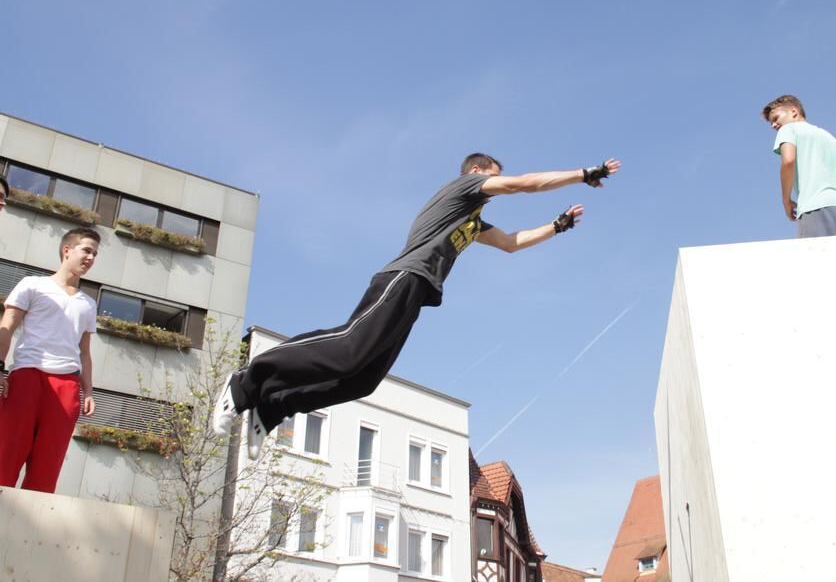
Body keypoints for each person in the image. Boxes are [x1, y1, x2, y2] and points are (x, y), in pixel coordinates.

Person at [214, 154, 622, 459]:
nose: (498, 187)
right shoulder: (462, 189)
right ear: (478, 172)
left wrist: (557, 226)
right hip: (403, 277)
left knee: (363, 380)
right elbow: (524, 184)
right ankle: (248, 379)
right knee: (349, 346)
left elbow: (512, 243)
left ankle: (271, 407)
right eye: (495, 177)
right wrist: (583, 175)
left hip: (420, 291)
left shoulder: (473, 221)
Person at [0, 227, 100, 492]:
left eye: (95, 254)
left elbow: (84, 352)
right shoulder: (32, 285)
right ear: (67, 250)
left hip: (67, 385)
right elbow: (6, 327)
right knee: (6, 454)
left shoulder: (88, 304)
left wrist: (88, 390)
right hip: (27, 376)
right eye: (86, 250)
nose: (91, 258)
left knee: (48, 464)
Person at [762, 95, 836, 238]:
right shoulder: (830, 138)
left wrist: (786, 200)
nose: (773, 125)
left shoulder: (788, 129)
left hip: (816, 206)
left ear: (793, 111)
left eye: (776, 118)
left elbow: (788, 161)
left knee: (814, 258)